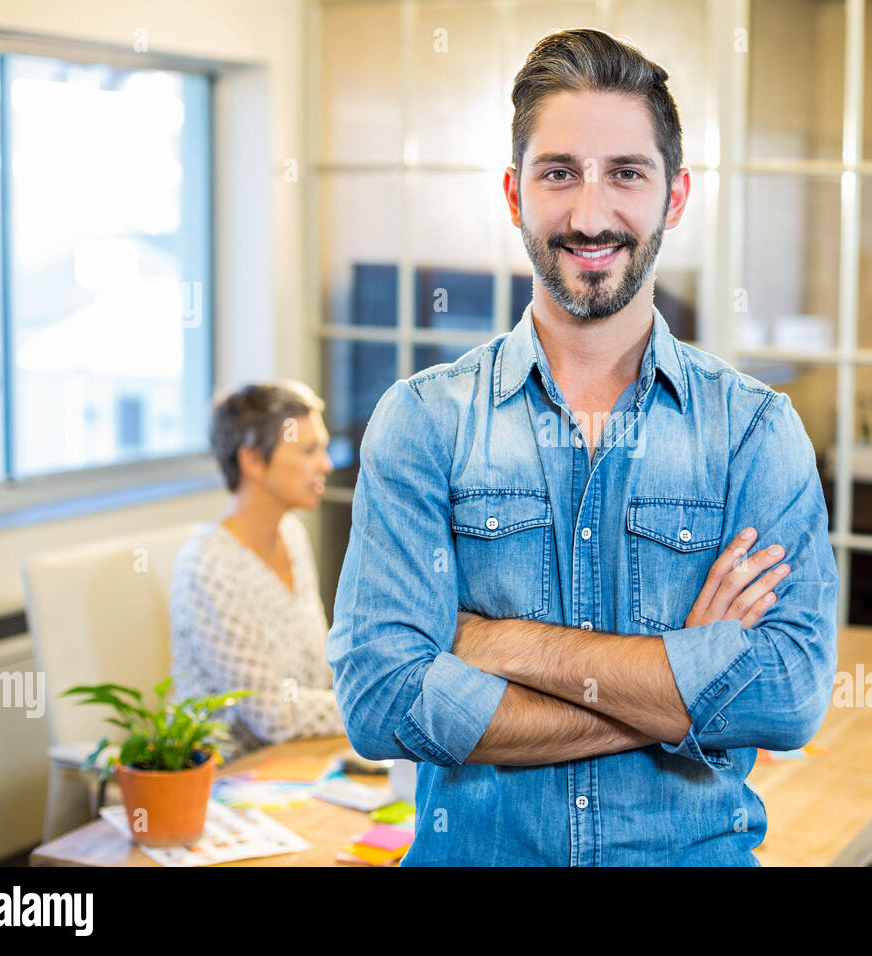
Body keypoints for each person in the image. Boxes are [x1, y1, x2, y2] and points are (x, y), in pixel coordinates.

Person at [327, 28, 838, 865]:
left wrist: (499, 643)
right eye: (558, 173)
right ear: (514, 192)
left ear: (674, 197)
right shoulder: (422, 421)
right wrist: (681, 683)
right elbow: (383, 700)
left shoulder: (753, 429)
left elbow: (785, 694)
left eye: (626, 174)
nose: (589, 215)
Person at [170, 380, 345, 763]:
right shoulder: (207, 567)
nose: (326, 465)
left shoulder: (291, 534)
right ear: (251, 460)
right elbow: (273, 714)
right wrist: (376, 710)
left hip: (300, 755)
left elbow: (319, 664)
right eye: (309, 451)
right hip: (229, 776)